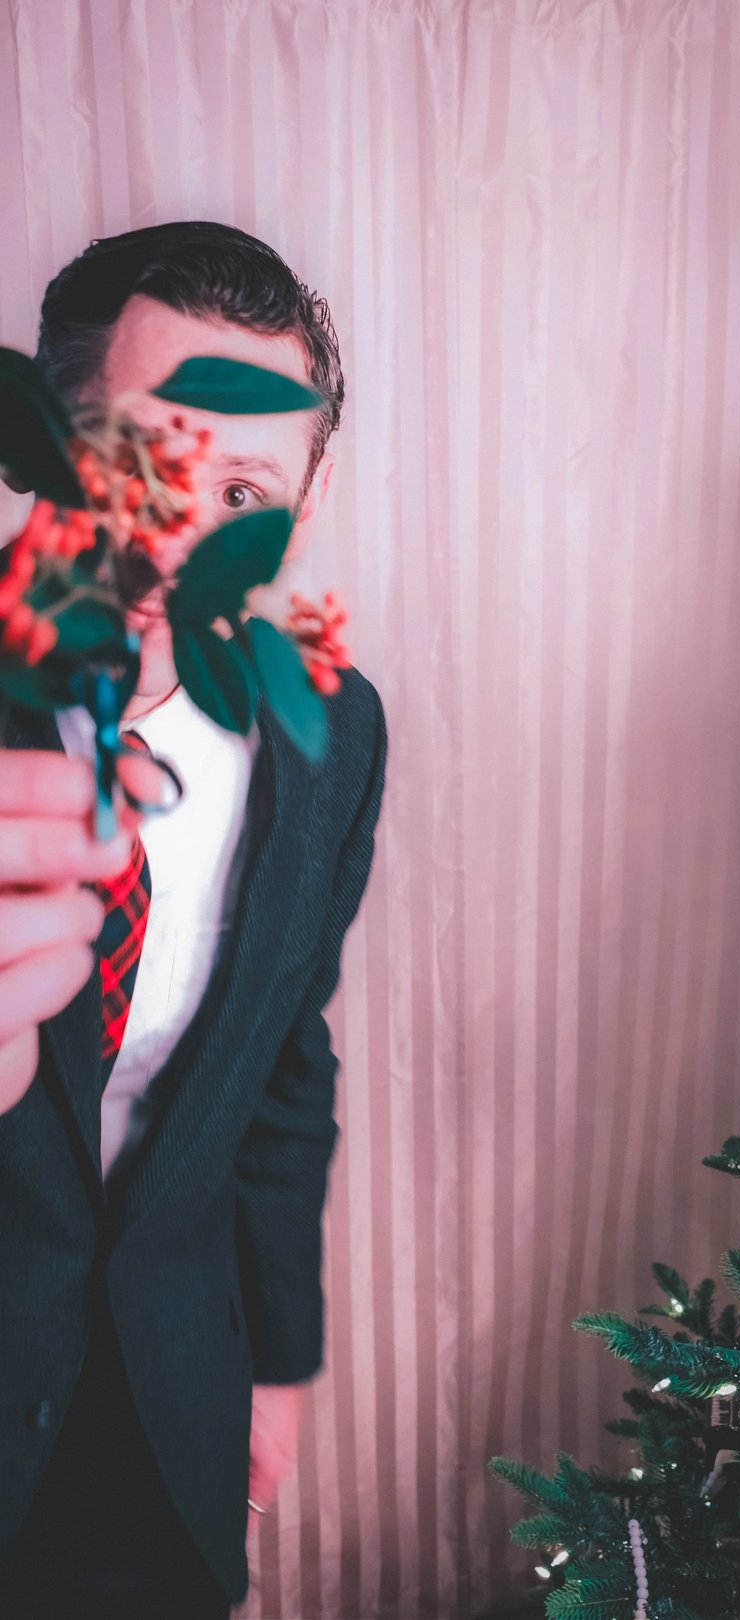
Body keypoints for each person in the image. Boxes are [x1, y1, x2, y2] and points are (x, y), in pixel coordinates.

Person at [0, 222, 387, 1618]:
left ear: (308, 494)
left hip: (169, 1399)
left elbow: (287, 1059)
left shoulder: (333, 731)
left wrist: (276, 1360)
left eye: (242, 492)